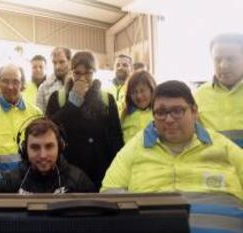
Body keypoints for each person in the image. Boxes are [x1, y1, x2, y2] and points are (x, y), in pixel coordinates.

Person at [101, 81, 243, 233]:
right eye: (161, 112)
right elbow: (110, 192)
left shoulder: (223, 146)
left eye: (177, 111)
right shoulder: (135, 147)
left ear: (194, 111)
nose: (168, 119)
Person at [46, 51, 124, 191]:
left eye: (88, 73)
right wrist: (72, 104)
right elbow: (48, 130)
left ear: (94, 73)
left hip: (100, 171)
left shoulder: (107, 99)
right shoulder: (58, 97)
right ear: (71, 73)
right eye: (77, 73)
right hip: (68, 172)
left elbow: (116, 138)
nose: (82, 78)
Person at [0, 64, 42, 192]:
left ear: (22, 84)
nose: (10, 86)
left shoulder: (36, 113)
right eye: (5, 81)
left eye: (16, 81)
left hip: (34, 186)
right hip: (2, 188)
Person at [0, 118, 95, 193]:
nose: (43, 155)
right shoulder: (10, 183)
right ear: (25, 150)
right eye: (35, 147)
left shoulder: (79, 181)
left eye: (49, 146)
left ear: (60, 147)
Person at [195, 33, 243, 147]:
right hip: (211, 162)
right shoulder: (199, 95)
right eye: (217, 60)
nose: (223, 65)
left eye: (230, 59)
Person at [120, 71, 156, 143]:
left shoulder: (160, 114)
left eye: (143, 91)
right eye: (134, 92)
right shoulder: (124, 115)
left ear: (152, 90)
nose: (139, 96)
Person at [36, 47, 72, 113]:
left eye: (62, 62)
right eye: (54, 63)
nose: (57, 67)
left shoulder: (78, 83)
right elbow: (39, 117)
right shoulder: (43, 88)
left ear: (70, 62)